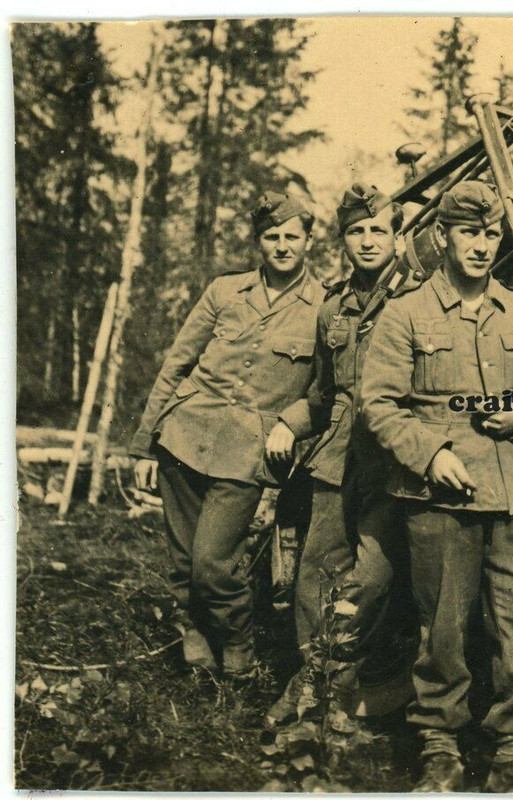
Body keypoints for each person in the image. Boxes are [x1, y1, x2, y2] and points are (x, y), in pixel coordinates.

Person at [360, 181, 513, 793]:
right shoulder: (405, 313)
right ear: (442, 237)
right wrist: (431, 454)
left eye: (491, 233)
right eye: (468, 232)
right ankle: (439, 742)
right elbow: (380, 404)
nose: (481, 245)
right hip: (440, 493)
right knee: (442, 625)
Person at [130, 192, 321, 678]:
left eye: (291, 237)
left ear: (309, 241)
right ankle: (190, 629)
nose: (281, 246)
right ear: (258, 242)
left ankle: (237, 640)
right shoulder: (224, 291)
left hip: (248, 450)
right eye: (271, 237)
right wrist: (145, 444)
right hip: (183, 433)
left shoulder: (323, 306)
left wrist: (290, 423)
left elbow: (326, 388)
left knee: (213, 562)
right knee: (181, 557)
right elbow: (177, 363)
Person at [267, 183, 414, 724]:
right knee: (314, 577)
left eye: (379, 230)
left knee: (371, 580)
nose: (368, 240)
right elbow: (322, 394)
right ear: (343, 241)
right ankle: (315, 689)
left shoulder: (419, 300)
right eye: (356, 231)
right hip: (335, 459)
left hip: (394, 462)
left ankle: (337, 684)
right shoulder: (334, 305)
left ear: (398, 238)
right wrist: (288, 420)